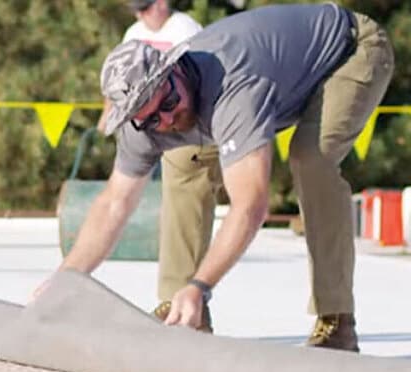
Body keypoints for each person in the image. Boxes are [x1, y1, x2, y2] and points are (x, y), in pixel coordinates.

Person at [43, 3, 393, 352]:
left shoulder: (233, 89)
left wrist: (201, 284)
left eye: (167, 104)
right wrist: (65, 280)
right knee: (182, 158)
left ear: (175, 70)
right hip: (282, 77)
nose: (163, 121)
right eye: (149, 120)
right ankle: (181, 313)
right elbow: (115, 202)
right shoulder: (145, 120)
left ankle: (337, 322)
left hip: (350, 50)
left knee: (310, 159)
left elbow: (251, 207)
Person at [97, 0, 223, 332]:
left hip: (190, 120)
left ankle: (183, 297)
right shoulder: (134, 32)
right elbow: (121, 80)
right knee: (154, 196)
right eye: (137, 10)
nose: (141, 15)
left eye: (145, 8)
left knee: (184, 181)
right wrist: (108, 113)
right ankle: (178, 299)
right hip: (154, 124)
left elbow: (198, 72)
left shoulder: (185, 27)